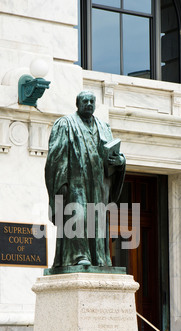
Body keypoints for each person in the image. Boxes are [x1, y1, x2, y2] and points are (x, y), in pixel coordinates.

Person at [45, 90, 126, 268]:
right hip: (75, 183)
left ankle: (99, 258)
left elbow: (113, 155)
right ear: (78, 104)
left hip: (99, 185)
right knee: (77, 217)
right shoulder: (65, 124)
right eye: (85, 101)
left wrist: (120, 161)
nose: (89, 104)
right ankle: (77, 256)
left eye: (92, 101)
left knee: (97, 221)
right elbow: (56, 156)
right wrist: (61, 184)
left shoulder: (104, 127)